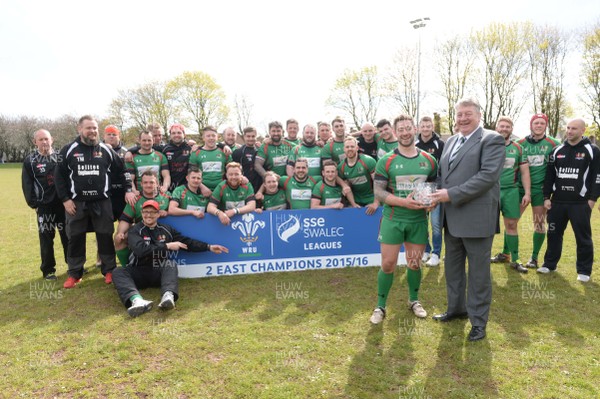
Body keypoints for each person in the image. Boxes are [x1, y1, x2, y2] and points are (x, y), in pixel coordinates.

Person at [429, 98, 505, 342]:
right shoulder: (450, 141)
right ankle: (456, 309)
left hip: (477, 219)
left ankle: (478, 322)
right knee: (452, 270)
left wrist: (450, 194)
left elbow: (487, 176)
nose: (462, 118)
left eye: (468, 114)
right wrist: (432, 195)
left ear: (479, 115)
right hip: (451, 220)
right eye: (459, 114)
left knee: (479, 275)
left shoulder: (491, 139)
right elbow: (443, 175)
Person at [369, 114, 438, 324]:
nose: (405, 132)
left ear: (415, 129)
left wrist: (433, 202)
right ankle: (380, 306)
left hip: (417, 220)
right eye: (401, 129)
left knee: (415, 263)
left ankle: (414, 300)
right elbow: (378, 192)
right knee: (388, 264)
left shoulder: (429, 160)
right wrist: (403, 203)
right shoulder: (386, 160)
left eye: (409, 128)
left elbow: (433, 189)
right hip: (393, 218)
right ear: (395, 132)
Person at [55, 115, 134, 288]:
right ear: (79, 129)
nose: (92, 131)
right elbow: (58, 176)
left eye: (95, 128)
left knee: (105, 235)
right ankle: (75, 274)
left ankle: (109, 271)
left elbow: (123, 171)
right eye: (88, 128)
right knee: (75, 237)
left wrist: (128, 189)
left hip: (102, 202)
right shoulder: (68, 149)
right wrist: (65, 200)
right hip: (77, 203)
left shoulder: (106, 149)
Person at [112, 199, 229, 317]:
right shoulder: (135, 230)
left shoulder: (166, 229)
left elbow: (186, 242)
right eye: (145, 211)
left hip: (159, 271)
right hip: (139, 270)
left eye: (152, 212)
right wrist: (167, 246)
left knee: (170, 264)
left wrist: (208, 247)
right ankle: (137, 300)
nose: (148, 215)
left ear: (158, 214)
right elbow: (141, 250)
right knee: (118, 271)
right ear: (142, 213)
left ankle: (167, 297)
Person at [538, 119, 600, 282]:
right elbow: (549, 176)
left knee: (583, 237)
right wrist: (546, 197)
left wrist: (592, 199)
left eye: (574, 128)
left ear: (583, 130)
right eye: (568, 128)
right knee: (553, 234)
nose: (570, 131)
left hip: (580, 203)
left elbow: (597, 176)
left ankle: (584, 271)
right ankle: (549, 264)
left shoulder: (592, 150)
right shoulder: (557, 150)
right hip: (557, 202)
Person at [22, 129, 69, 280]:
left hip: (63, 205)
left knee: (68, 236)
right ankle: (48, 270)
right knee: (46, 239)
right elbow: (27, 184)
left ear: (52, 140)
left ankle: (74, 266)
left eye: (46, 139)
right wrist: (34, 204)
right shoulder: (30, 161)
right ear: (35, 142)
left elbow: (69, 180)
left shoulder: (61, 158)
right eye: (40, 139)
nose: (44, 142)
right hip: (45, 207)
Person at [517, 114, 561, 268]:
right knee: (512, 221)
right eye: (536, 123)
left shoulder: (554, 144)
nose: (539, 125)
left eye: (542, 123)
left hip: (541, 191)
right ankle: (506, 253)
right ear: (531, 125)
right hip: (521, 189)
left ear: (545, 126)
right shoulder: (520, 143)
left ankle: (534, 258)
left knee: (539, 223)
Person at [490, 117, 531, 273]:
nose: (504, 129)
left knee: (512, 225)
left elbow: (525, 172)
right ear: (496, 127)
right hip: (490, 191)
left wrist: (527, 192)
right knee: (487, 227)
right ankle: (482, 258)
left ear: (511, 129)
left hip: (511, 191)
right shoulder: (487, 145)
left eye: (507, 126)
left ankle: (515, 260)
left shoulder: (518, 148)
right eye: (501, 126)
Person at [114, 171, 170, 267]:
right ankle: (126, 268)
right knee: (119, 239)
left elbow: (177, 210)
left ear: (157, 183)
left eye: (151, 182)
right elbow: (126, 219)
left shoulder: (167, 196)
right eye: (145, 182)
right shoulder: (135, 199)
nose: (148, 185)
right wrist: (121, 232)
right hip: (142, 232)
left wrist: (168, 212)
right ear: (141, 184)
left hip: (162, 232)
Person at [415, 116, 446, 266]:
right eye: (423, 126)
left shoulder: (440, 144)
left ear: (432, 127)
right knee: (422, 223)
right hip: (419, 189)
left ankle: (436, 253)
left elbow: (444, 167)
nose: (426, 129)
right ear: (419, 127)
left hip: (435, 189)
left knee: (435, 224)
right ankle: (426, 250)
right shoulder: (414, 144)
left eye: (428, 126)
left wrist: (438, 187)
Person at [338, 137, 379, 215]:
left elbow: (378, 183)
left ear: (357, 148)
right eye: (347, 147)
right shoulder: (341, 167)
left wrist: (375, 203)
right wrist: (353, 204)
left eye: (352, 146)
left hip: (372, 198)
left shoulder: (368, 161)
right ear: (344, 149)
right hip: (356, 200)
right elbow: (347, 188)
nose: (350, 149)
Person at [126, 130, 171, 195]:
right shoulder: (132, 158)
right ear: (139, 141)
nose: (147, 143)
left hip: (157, 194)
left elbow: (166, 176)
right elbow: (130, 178)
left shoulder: (161, 156)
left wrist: (165, 187)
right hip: (139, 195)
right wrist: (134, 191)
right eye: (144, 140)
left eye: (149, 140)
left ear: (153, 140)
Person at [189, 126, 231, 192]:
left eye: (213, 136)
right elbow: (191, 174)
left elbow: (231, 171)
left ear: (217, 137)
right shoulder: (196, 153)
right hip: (202, 190)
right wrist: (202, 187)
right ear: (203, 138)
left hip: (222, 189)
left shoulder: (224, 151)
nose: (211, 138)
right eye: (208, 136)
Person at [103, 125, 129, 221]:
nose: (111, 136)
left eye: (114, 134)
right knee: (106, 226)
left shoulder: (126, 152)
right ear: (104, 136)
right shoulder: (98, 150)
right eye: (108, 134)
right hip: (106, 195)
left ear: (119, 136)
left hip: (122, 194)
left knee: (125, 222)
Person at [161, 123, 193, 191]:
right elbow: (147, 147)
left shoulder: (191, 148)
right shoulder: (164, 149)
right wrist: (131, 151)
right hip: (169, 187)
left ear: (184, 135)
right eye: (173, 133)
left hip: (187, 187)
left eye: (179, 133)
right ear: (170, 135)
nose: (176, 135)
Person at [232, 126, 263, 192]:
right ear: (244, 137)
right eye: (248, 136)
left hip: (258, 187)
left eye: (253, 136)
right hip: (243, 186)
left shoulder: (261, 151)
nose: (251, 138)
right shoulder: (238, 152)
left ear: (256, 137)